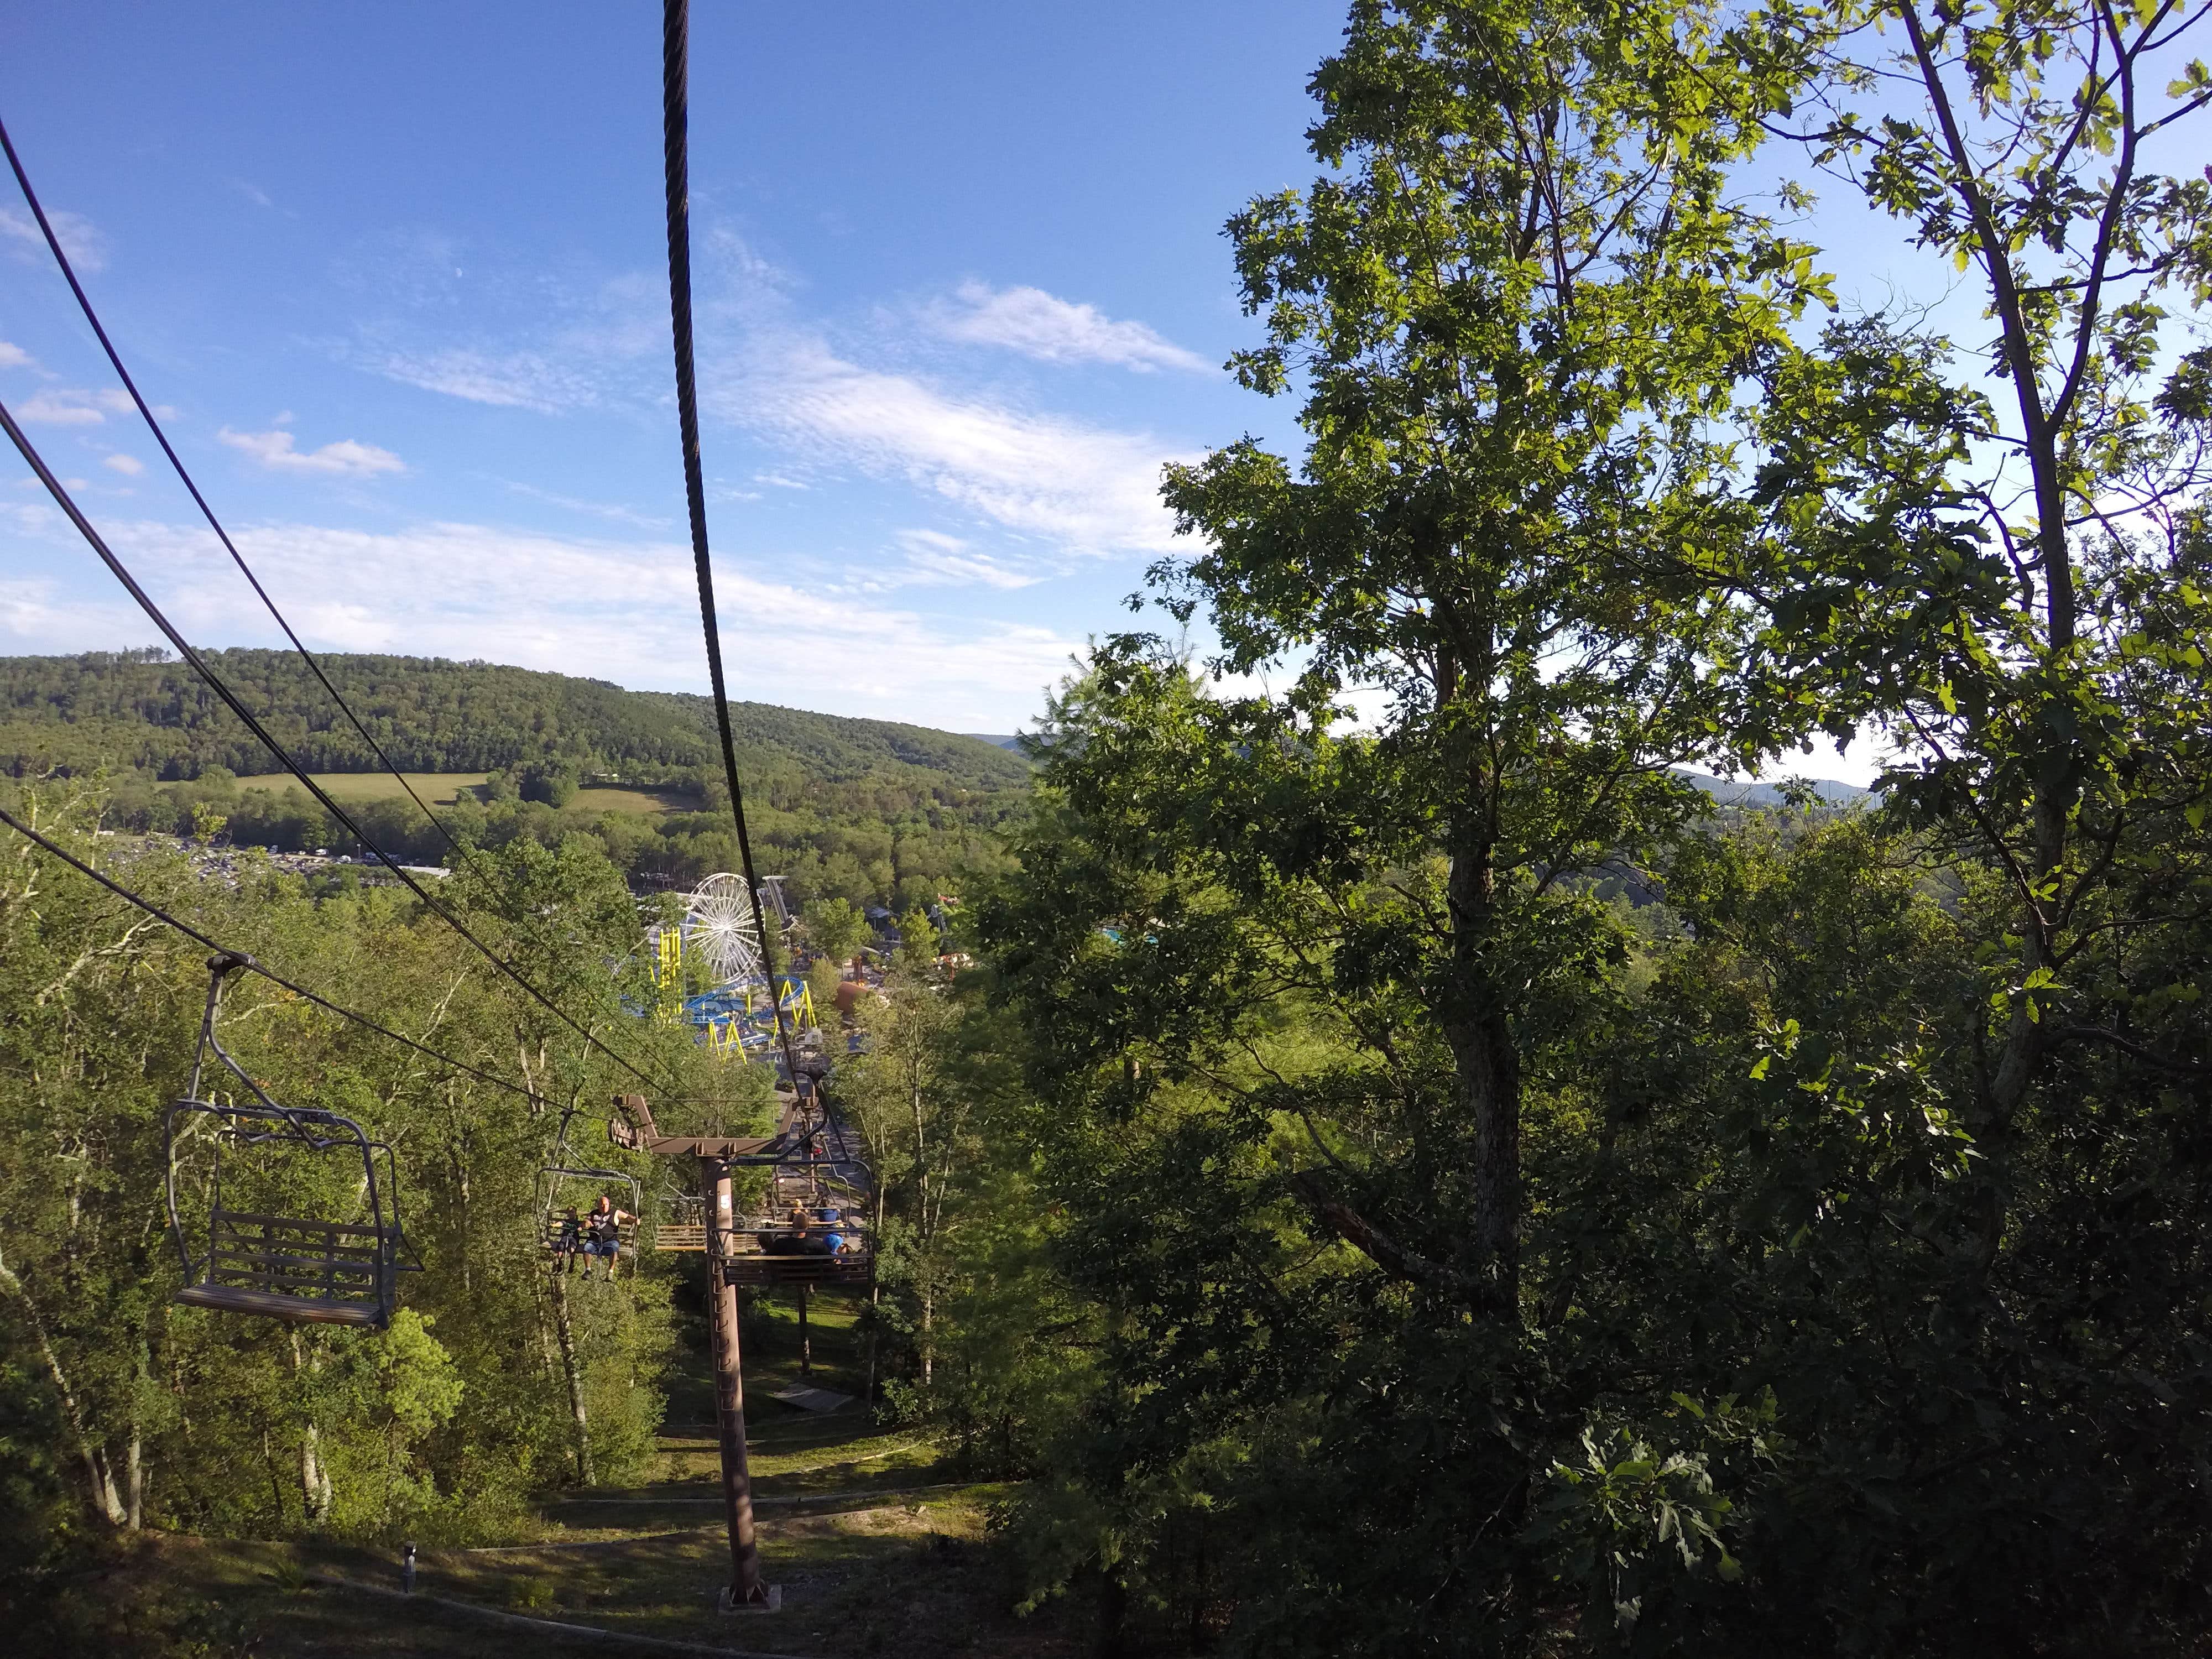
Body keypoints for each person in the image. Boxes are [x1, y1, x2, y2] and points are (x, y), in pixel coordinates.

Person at [583, 1192, 633, 1280]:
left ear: (609, 1204)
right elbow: (587, 1220)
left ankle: (610, 1273)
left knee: (615, 1249)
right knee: (587, 1247)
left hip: (610, 1241)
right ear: (598, 1205)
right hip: (595, 1241)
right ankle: (588, 1271)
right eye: (602, 1205)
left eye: (606, 1204)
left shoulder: (615, 1213)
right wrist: (586, 1222)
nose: (604, 1206)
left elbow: (627, 1217)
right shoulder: (594, 1213)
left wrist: (635, 1220)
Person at [551, 1205, 583, 1273]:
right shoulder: (566, 1221)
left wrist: (581, 1228)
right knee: (561, 1247)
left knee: (572, 1249)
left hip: (574, 1238)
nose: (571, 1213)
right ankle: (559, 1262)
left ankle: (572, 1263)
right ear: (567, 1213)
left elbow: (581, 1226)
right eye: (569, 1212)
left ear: (575, 1213)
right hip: (566, 1237)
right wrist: (555, 1225)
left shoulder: (577, 1223)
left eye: (573, 1212)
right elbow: (561, 1223)